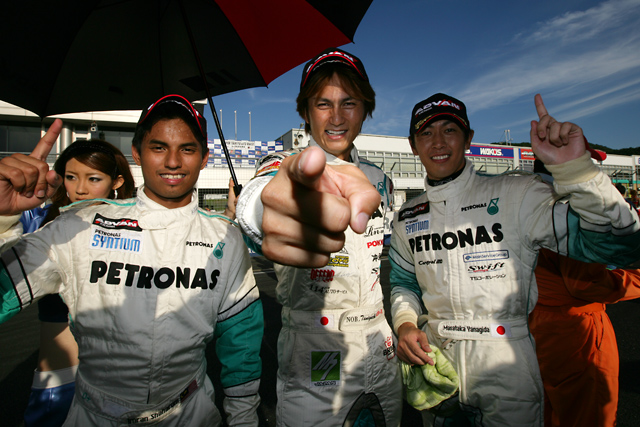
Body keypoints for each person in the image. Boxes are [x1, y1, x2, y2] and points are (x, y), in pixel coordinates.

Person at [0, 94, 264, 426]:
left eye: (187, 149)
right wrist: (2, 220)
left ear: (204, 157)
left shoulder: (225, 237)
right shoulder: (79, 225)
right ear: (137, 153)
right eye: (158, 147)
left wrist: (244, 419)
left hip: (190, 413)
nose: (172, 162)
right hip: (93, 416)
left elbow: (241, 342)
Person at [388, 92, 640, 426]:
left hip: (507, 362)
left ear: (469, 139)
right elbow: (404, 283)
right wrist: (405, 324)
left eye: (449, 130)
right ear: (412, 145)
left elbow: (620, 247)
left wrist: (576, 170)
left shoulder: (517, 194)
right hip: (438, 364)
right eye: (426, 133)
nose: (438, 142)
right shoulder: (407, 215)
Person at [236, 48, 402, 426]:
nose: (337, 117)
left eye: (349, 103)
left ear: (366, 109)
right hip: (317, 348)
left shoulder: (381, 180)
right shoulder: (285, 166)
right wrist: (260, 214)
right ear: (305, 112)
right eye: (323, 104)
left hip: (381, 345)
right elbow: (262, 198)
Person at [21, 139, 135, 427]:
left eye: (93, 178)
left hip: (121, 378)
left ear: (117, 182)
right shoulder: (40, 222)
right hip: (60, 378)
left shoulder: (137, 230)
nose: (80, 189)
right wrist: (5, 216)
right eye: (71, 177)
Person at [530, 248, 640, 427]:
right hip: (575, 328)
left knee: (547, 411)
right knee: (589, 414)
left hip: (537, 318)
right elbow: (587, 285)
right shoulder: (575, 230)